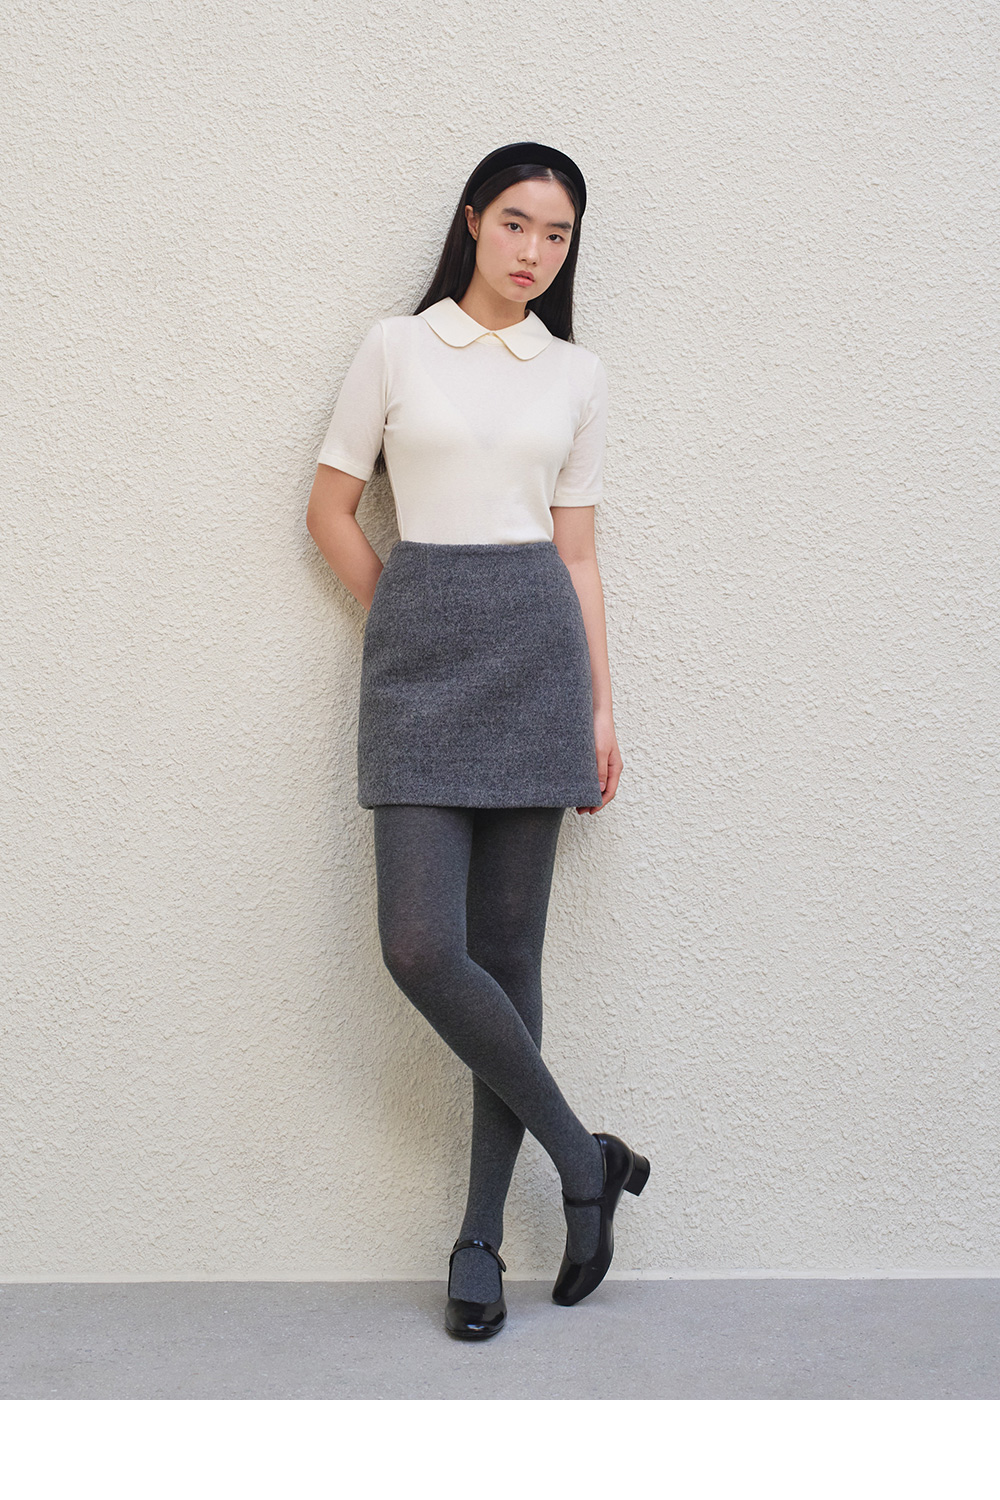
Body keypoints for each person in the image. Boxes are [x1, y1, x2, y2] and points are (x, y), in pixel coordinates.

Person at [306, 142, 649, 1340]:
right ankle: (586, 1159)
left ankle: (478, 1242)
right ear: (471, 221)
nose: (532, 251)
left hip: (538, 664)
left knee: (508, 961)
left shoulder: (575, 373)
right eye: (515, 223)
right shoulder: (396, 347)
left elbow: (578, 553)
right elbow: (329, 507)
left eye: (556, 235)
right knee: (419, 946)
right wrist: (401, 612)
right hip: (421, 669)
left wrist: (599, 707)